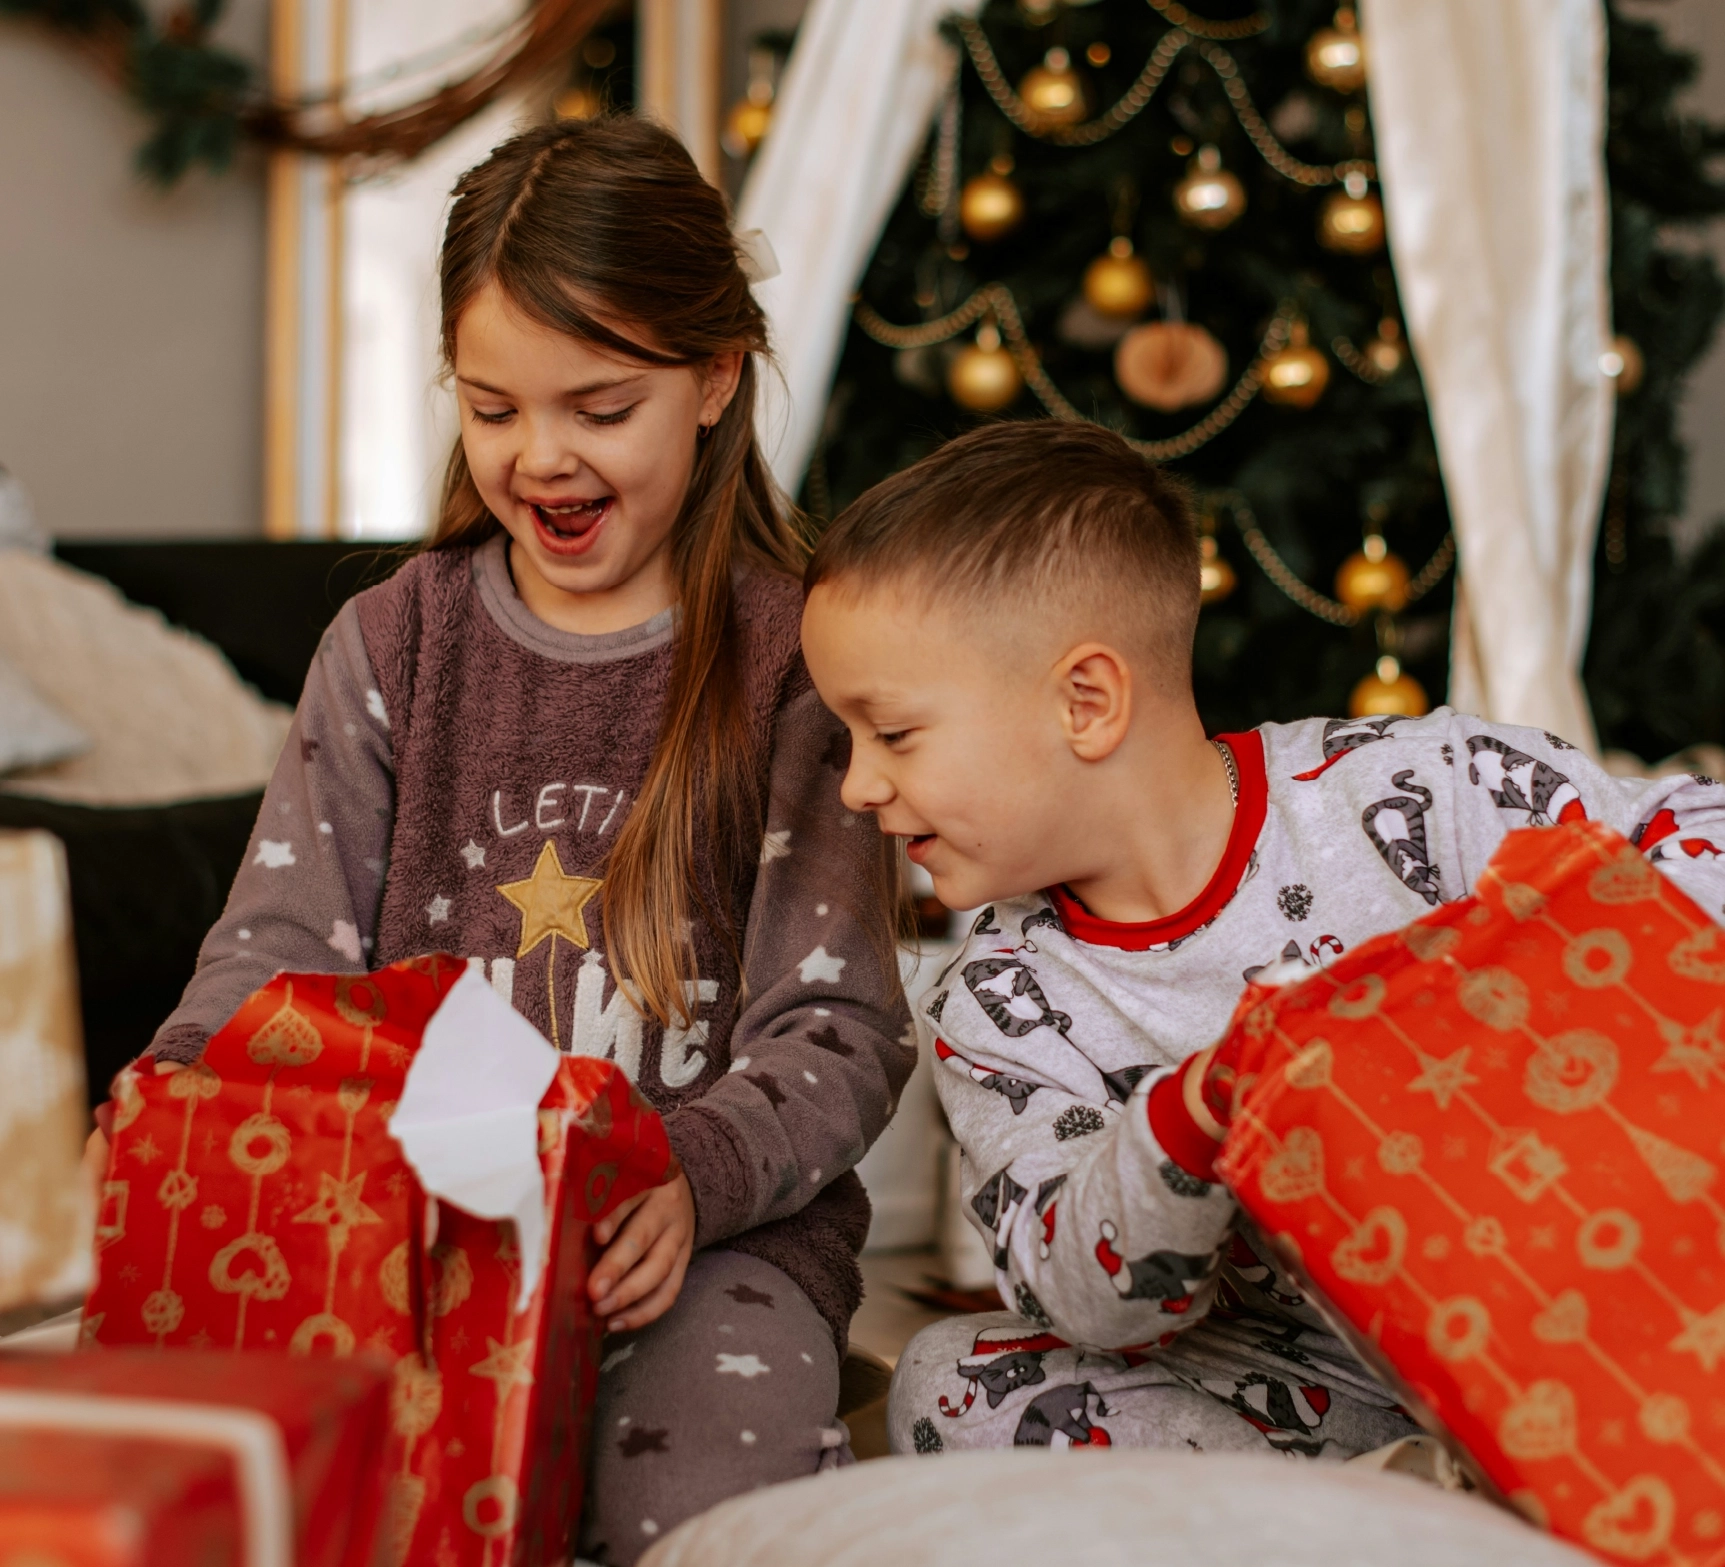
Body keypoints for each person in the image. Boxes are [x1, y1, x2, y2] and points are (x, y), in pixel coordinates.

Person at [86, 118, 912, 1563]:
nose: (541, 457)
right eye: (492, 407)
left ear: (717, 377)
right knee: (317, 1484)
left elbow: (836, 1027)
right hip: (403, 1221)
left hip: (696, 1237)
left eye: (601, 407)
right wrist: (177, 1098)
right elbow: (274, 952)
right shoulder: (393, 642)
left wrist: (693, 1172)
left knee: (695, 1510)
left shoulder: (799, 660)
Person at [798, 419, 1725, 1461]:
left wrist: (1487, 983)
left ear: (1086, 702)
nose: (858, 785)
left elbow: (1695, 830)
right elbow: (1081, 1299)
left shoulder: (1426, 788)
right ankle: (1410, 1494)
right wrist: (1192, 1112)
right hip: (1325, 1401)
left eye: (894, 733)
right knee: (951, 1383)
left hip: (1615, 1302)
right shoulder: (1000, 1004)